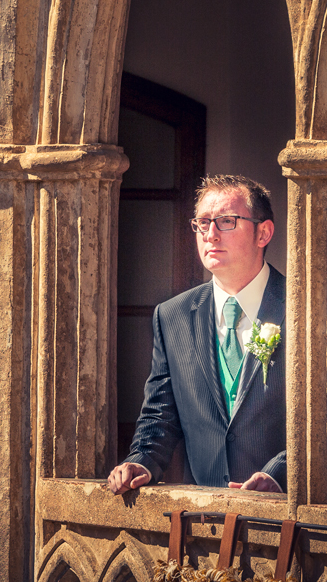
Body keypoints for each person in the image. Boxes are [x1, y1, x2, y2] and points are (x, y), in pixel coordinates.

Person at [107, 175, 286, 495]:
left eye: (226, 221)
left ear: (263, 232)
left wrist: (278, 474)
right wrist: (141, 460)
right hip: (205, 518)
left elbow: (321, 423)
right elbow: (160, 412)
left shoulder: (302, 307)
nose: (211, 234)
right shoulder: (172, 315)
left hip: (286, 516)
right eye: (203, 223)